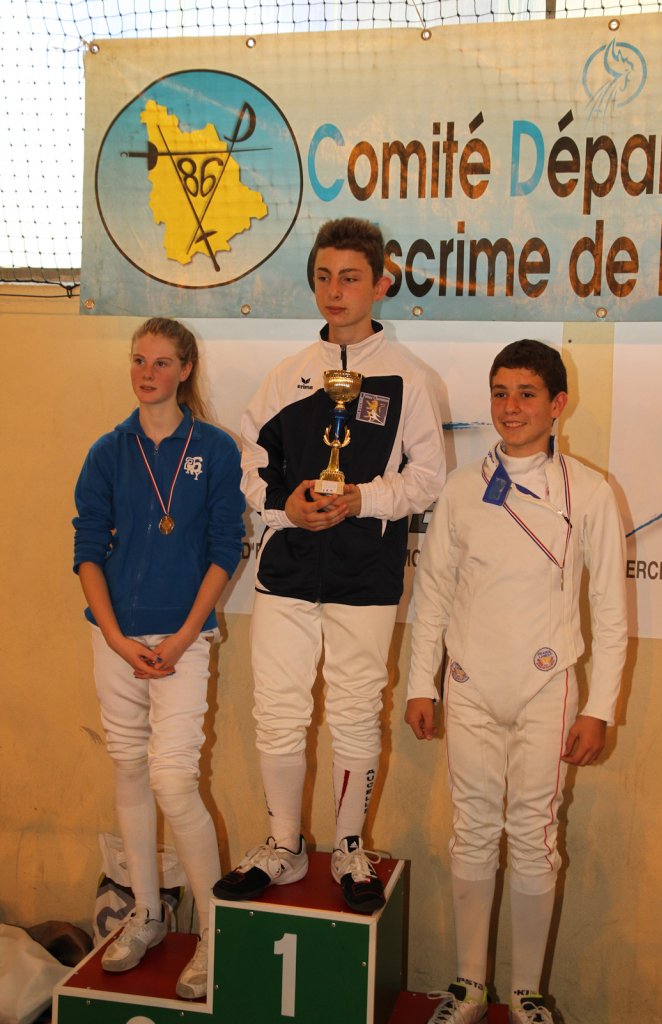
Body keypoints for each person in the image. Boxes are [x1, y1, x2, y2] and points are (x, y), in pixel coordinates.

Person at [213, 217, 445, 913]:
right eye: (323, 277)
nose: (334, 291)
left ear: (380, 284)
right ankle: (284, 845)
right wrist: (285, 506)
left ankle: (348, 847)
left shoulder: (409, 379)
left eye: (349, 278)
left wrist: (362, 499)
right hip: (285, 575)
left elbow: (428, 478)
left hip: (364, 578)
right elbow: (252, 469)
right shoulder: (285, 377)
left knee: (354, 713)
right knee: (278, 711)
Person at [405, 340, 627, 1024]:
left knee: (535, 837)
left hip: (547, 687)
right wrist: (421, 684)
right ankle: (470, 987)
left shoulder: (590, 492)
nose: (511, 407)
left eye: (527, 393)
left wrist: (600, 707)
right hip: (469, 683)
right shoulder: (460, 488)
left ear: (558, 404)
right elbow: (433, 594)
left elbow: (611, 610)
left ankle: (528, 992)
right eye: (500, 392)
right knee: (471, 832)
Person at [73, 317, 244, 999]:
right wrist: (117, 638)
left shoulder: (216, 449)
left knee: (173, 780)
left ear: (185, 369)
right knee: (128, 768)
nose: (147, 373)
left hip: (184, 641)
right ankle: (146, 913)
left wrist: (182, 637)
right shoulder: (107, 451)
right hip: (115, 638)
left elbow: (224, 550)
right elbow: (87, 550)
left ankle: (216, 933)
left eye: (162, 362)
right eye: (139, 360)